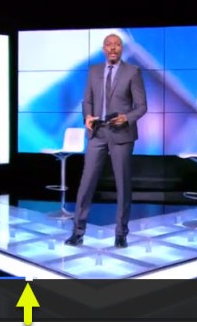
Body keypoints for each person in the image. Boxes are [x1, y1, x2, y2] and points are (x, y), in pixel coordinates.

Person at [65, 33, 147, 248]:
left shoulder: (133, 72)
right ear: (104, 49)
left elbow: (141, 107)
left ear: (121, 49)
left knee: (123, 185)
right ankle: (77, 232)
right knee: (86, 183)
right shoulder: (94, 71)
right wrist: (87, 117)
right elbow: (87, 100)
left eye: (117, 44)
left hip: (121, 134)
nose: (113, 48)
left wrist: (126, 118)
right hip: (97, 133)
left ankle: (121, 234)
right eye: (109, 45)